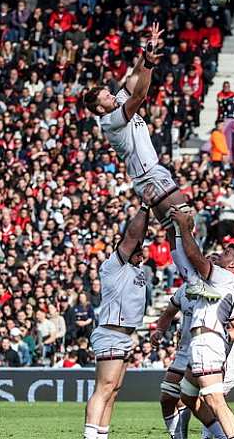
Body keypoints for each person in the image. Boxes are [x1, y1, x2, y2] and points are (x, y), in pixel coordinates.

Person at [83, 23, 198, 298]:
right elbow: (139, 95)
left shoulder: (115, 105)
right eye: (107, 96)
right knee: (185, 219)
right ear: (100, 107)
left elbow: (133, 81)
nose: (112, 95)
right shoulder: (111, 120)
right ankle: (192, 278)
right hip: (148, 175)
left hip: (150, 172)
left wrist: (148, 50)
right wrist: (148, 62)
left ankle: (188, 277)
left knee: (174, 227)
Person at [170, 207, 234, 439]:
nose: (221, 253)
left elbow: (194, 257)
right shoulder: (219, 282)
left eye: (227, 253)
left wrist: (184, 227)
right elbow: (186, 262)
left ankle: (232, 437)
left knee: (214, 400)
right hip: (203, 341)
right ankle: (221, 435)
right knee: (186, 395)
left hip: (208, 341)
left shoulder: (225, 277)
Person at [84, 191, 151, 439]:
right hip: (111, 331)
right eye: (137, 250)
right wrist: (145, 208)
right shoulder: (115, 265)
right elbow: (133, 235)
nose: (140, 253)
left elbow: (138, 238)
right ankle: (90, 435)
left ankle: (102, 434)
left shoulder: (136, 270)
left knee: (114, 390)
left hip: (125, 334)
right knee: (104, 387)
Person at [151, 283, 196, 439]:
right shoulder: (184, 289)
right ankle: (178, 437)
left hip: (208, 353)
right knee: (167, 398)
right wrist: (159, 330)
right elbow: (168, 313)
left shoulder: (220, 287)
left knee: (208, 402)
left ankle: (221, 435)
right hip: (184, 353)